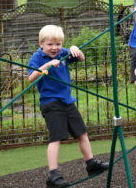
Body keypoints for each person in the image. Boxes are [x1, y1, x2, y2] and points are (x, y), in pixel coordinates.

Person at [28, 25, 109, 188]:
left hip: (67, 101)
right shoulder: (37, 58)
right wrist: (48, 65)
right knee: (56, 138)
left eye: (58, 44)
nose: (54, 48)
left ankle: (91, 163)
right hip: (51, 103)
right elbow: (31, 77)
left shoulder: (63, 53)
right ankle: (53, 174)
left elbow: (81, 58)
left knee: (82, 133)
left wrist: (75, 48)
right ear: (41, 44)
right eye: (50, 44)